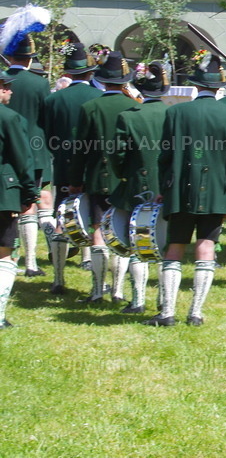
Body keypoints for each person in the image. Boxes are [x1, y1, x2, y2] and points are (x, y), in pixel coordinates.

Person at [149, 55, 226, 326]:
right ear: (219, 87)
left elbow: (164, 157)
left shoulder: (175, 112)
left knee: (175, 248)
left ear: (195, 85)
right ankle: (196, 313)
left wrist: (162, 189)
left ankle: (167, 313)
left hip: (180, 190)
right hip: (217, 192)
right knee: (206, 248)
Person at [68, 52, 139, 303]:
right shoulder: (135, 106)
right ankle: (118, 291)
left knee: (98, 230)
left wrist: (75, 180)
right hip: (127, 180)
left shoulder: (90, 107)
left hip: (99, 177)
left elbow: (80, 150)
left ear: (103, 80)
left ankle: (98, 290)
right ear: (125, 81)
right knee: (121, 233)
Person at [42, 43, 102, 293]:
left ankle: (58, 278)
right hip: (95, 168)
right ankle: (89, 262)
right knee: (93, 219)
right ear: (90, 73)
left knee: (61, 219)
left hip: (65, 165)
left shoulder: (54, 100)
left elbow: (48, 136)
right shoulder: (99, 98)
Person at [111, 61, 170, 314]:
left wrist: (123, 176)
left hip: (139, 184)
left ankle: (138, 301)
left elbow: (118, 156)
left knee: (139, 243)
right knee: (165, 244)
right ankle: (164, 301)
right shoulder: (174, 114)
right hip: (168, 186)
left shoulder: (128, 117)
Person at [3, 34, 52, 279]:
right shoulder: (39, 83)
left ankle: (12, 255)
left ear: (9, 57)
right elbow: (46, 119)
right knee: (29, 205)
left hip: (3, 153)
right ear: (30, 59)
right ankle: (31, 261)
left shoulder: (4, 79)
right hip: (32, 150)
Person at [0, 71, 40, 329]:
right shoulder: (10, 118)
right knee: (5, 254)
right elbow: (22, 159)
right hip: (3, 195)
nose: (10, 92)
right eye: (5, 87)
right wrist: (29, 193)